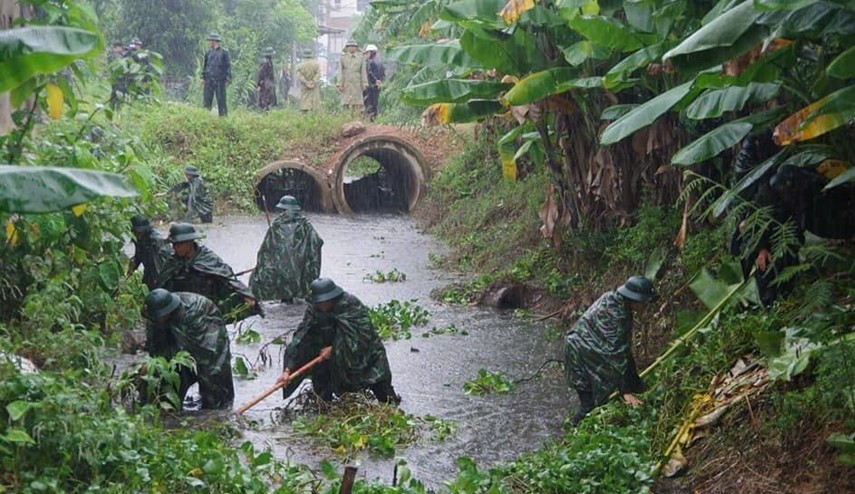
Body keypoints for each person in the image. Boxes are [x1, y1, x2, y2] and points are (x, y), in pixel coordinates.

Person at [276, 278, 400, 404]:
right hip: (328, 358)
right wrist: (288, 370)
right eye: (317, 302)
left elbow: (362, 337)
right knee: (322, 389)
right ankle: (325, 411)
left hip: (365, 355)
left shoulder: (351, 305)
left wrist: (334, 349)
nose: (320, 306)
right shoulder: (314, 309)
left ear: (331, 298)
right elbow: (301, 338)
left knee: (384, 393)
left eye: (323, 302)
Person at [564, 275, 655, 425]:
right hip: (578, 355)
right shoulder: (618, 315)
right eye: (645, 303)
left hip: (588, 349)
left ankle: (637, 388)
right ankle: (573, 434)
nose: (646, 306)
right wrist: (625, 391)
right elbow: (615, 356)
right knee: (589, 406)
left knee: (617, 388)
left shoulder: (613, 298)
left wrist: (635, 384)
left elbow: (624, 351)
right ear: (635, 300)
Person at [144, 288, 234, 410]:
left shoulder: (193, 313)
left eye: (161, 317)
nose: (158, 319)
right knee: (164, 369)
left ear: (169, 311)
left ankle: (216, 411)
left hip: (207, 328)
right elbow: (155, 345)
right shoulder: (154, 312)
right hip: (179, 328)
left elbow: (202, 352)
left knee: (212, 373)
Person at [158, 223, 261, 323]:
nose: (176, 248)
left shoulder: (208, 259)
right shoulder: (172, 261)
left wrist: (246, 295)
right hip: (182, 309)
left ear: (189, 242)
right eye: (174, 244)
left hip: (206, 307)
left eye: (179, 244)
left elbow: (228, 277)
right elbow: (162, 284)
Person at [249, 195, 324, 303]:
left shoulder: (277, 224)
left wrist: (262, 264)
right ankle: (293, 299)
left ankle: (284, 300)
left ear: (284, 209)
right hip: (299, 265)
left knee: (281, 284)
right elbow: (317, 242)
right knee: (295, 285)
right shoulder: (305, 224)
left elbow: (266, 248)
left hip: (281, 266)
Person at [128, 215, 173, 290]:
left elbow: (160, 265)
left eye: (140, 232)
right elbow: (139, 255)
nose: (138, 235)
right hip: (149, 273)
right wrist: (133, 266)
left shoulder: (155, 241)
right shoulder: (139, 239)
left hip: (160, 274)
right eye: (136, 232)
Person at [202, 33, 231, 117]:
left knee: (221, 101)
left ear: (214, 41)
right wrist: (203, 77)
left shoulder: (224, 52)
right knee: (207, 100)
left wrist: (228, 79)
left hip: (220, 80)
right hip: (208, 79)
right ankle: (205, 117)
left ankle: (223, 118)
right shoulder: (208, 52)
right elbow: (205, 65)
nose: (209, 42)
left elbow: (228, 66)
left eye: (210, 40)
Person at [338, 40, 368, 115]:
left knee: (357, 102)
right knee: (346, 102)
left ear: (356, 48)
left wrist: (364, 83)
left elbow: (363, 72)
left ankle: (356, 118)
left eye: (353, 46)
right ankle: (346, 117)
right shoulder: (343, 58)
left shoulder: (360, 58)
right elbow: (340, 72)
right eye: (350, 46)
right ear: (347, 48)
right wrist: (339, 84)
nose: (352, 48)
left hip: (357, 83)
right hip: (346, 82)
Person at [363, 44, 384, 120]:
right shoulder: (380, 62)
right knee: (375, 103)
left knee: (369, 103)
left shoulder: (370, 62)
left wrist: (375, 81)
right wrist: (379, 81)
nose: (367, 55)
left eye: (368, 53)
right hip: (377, 86)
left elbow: (370, 73)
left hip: (370, 86)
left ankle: (370, 118)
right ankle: (375, 118)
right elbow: (383, 74)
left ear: (371, 52)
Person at [256, 47, 277, 111]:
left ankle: (267, 112)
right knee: (265, 100)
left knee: (269, 99)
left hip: (268, 82)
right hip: (266, 83)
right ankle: (265, 113)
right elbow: (261, 73)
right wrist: (259, 84)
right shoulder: (265, 62)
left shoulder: (269, 61)